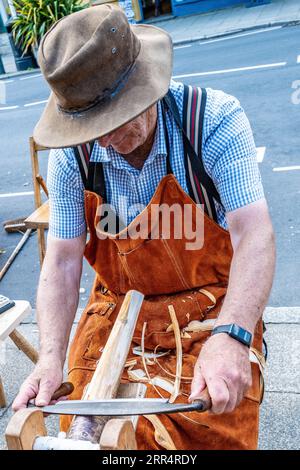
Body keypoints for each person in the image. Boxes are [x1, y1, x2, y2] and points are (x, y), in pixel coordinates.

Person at [13, 5, 275, 450]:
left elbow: (255, 235)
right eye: (85, 126)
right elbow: (61, 261)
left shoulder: (210, 123)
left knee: (207, 425)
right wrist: (50, 357)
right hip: (117, 314)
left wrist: (233, 333)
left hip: (210, 308)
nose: (100, 141)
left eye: (109, 123)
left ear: (144, 90)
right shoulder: (72, 156)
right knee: (82, 430)